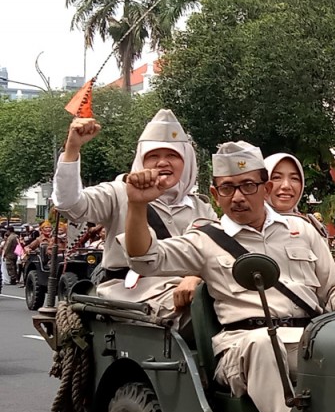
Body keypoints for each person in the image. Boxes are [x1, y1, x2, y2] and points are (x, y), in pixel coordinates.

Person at [121, 140, 335, 412]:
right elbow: (144, 258)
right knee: (262, 344)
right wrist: (137, 206)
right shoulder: (206, 240)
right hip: (243, 348)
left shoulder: (302, 231)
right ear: (214, 194)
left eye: (248, 185)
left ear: (266, 188)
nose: (237, 197)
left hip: (308, 342)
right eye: (227, 188)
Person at [52, 110, 214, 316]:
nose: (163, 162)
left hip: (192, 289)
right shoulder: (118, 193)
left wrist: (197, 277)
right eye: (153, 156)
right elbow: (70, 204)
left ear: (187, 162)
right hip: (132, 294)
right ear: (141, 161)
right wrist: (72, 148)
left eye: (173, 155)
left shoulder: (201, 207)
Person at [264, 153, 327, 237]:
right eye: (276, 177)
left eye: (294, 178)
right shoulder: (248, 229)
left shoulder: (310, 229)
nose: (286, 186)